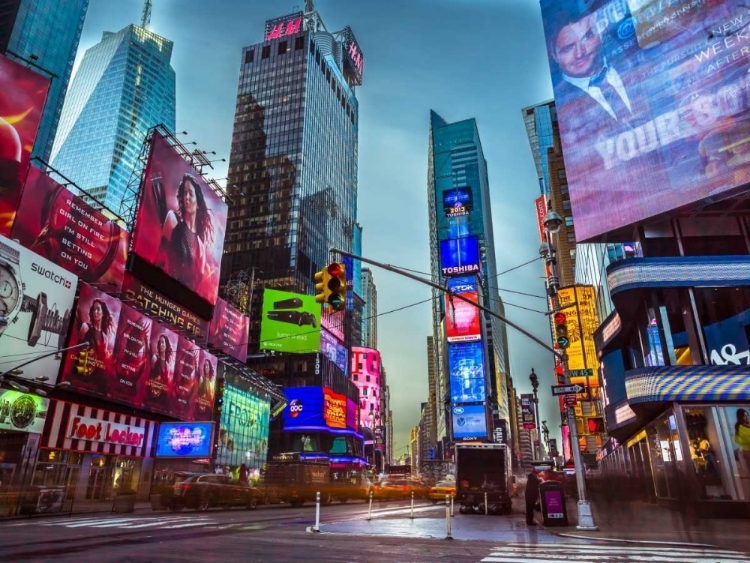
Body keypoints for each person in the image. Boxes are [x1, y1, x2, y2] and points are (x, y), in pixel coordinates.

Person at [157, 174, 215, 292]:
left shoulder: (200, 246)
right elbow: (160, 259)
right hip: (163, 290)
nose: (187, 197)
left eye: (191, 193)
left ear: (198, 203)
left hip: (184, 303)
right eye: (184, 193)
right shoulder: (173, 220)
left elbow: (197, 287)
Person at [77, 298, 116, 384]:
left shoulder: (105, 337)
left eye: (98, 309)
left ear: (103, 313)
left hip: (94, 378)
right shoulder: (85, 327)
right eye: (94, 309)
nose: (95, 312)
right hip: (80, 372)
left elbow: (102, 362)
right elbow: (76, 351)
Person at [735, 409, 750, 474]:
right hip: (748, 451)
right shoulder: (739, 427)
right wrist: (745, 443)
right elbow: (736, 439)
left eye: (747, 415)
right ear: (740, 417)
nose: (746, 417)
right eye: (744, 416)